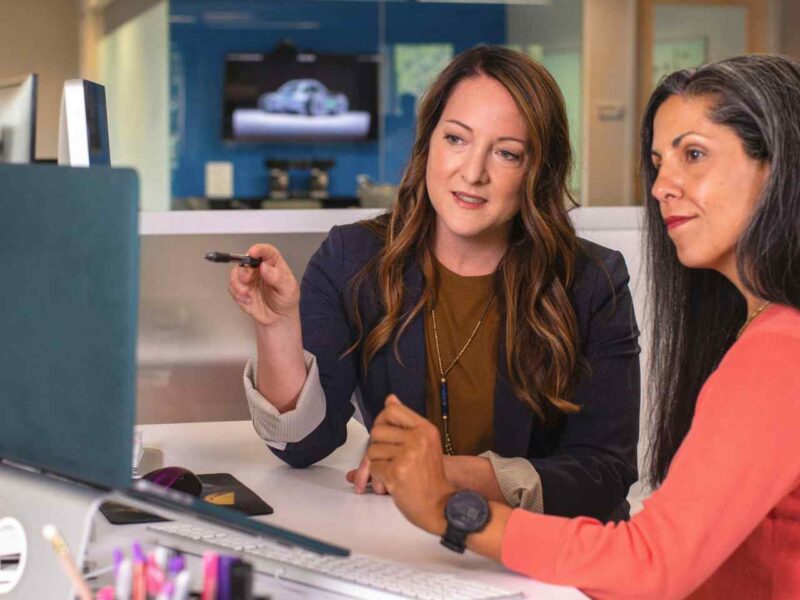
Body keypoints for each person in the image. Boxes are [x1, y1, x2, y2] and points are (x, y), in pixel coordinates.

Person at [366, 54, 800, 599]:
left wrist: (451, 510)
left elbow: (650, 565)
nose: (663, 185)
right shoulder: (759, 333)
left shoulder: (779, 352)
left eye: (694, 155)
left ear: (779, 166)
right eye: (658, 162)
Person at [229, 46, 640, 521]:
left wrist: (447, 473)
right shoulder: (353, 259)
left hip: (540, 556)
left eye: (506, 153)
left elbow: (604, 474)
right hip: (408, 545)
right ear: (428, 144)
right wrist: (278, 326)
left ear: (537, 171)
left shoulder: (591, 281)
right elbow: (301, 446)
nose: (473, 173)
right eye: (457, 139)